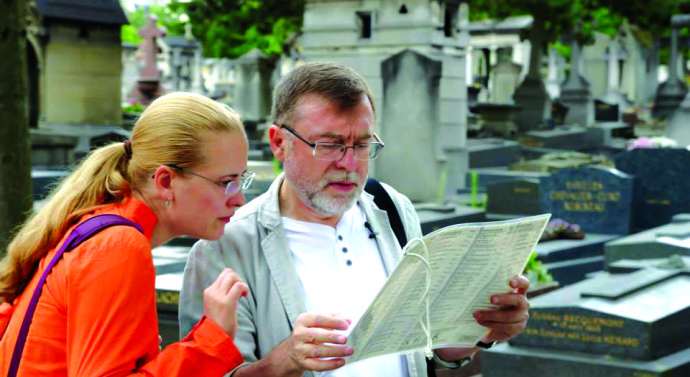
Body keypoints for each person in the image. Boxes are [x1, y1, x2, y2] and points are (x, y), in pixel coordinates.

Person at [179, 63, 531, 377]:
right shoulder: (225, 245)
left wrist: (479, 330)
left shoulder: (392, 207)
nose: (349, 164)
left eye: (362, 145)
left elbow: (430, 351)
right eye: (329, 145)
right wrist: (287, 359)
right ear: (278, 143)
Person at [0, 92, 252, 376]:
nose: (239, 198)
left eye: (242, 179)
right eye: (226, 182)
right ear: (166, 181)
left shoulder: (104, 229)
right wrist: (211, 340)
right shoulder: (117, 246)